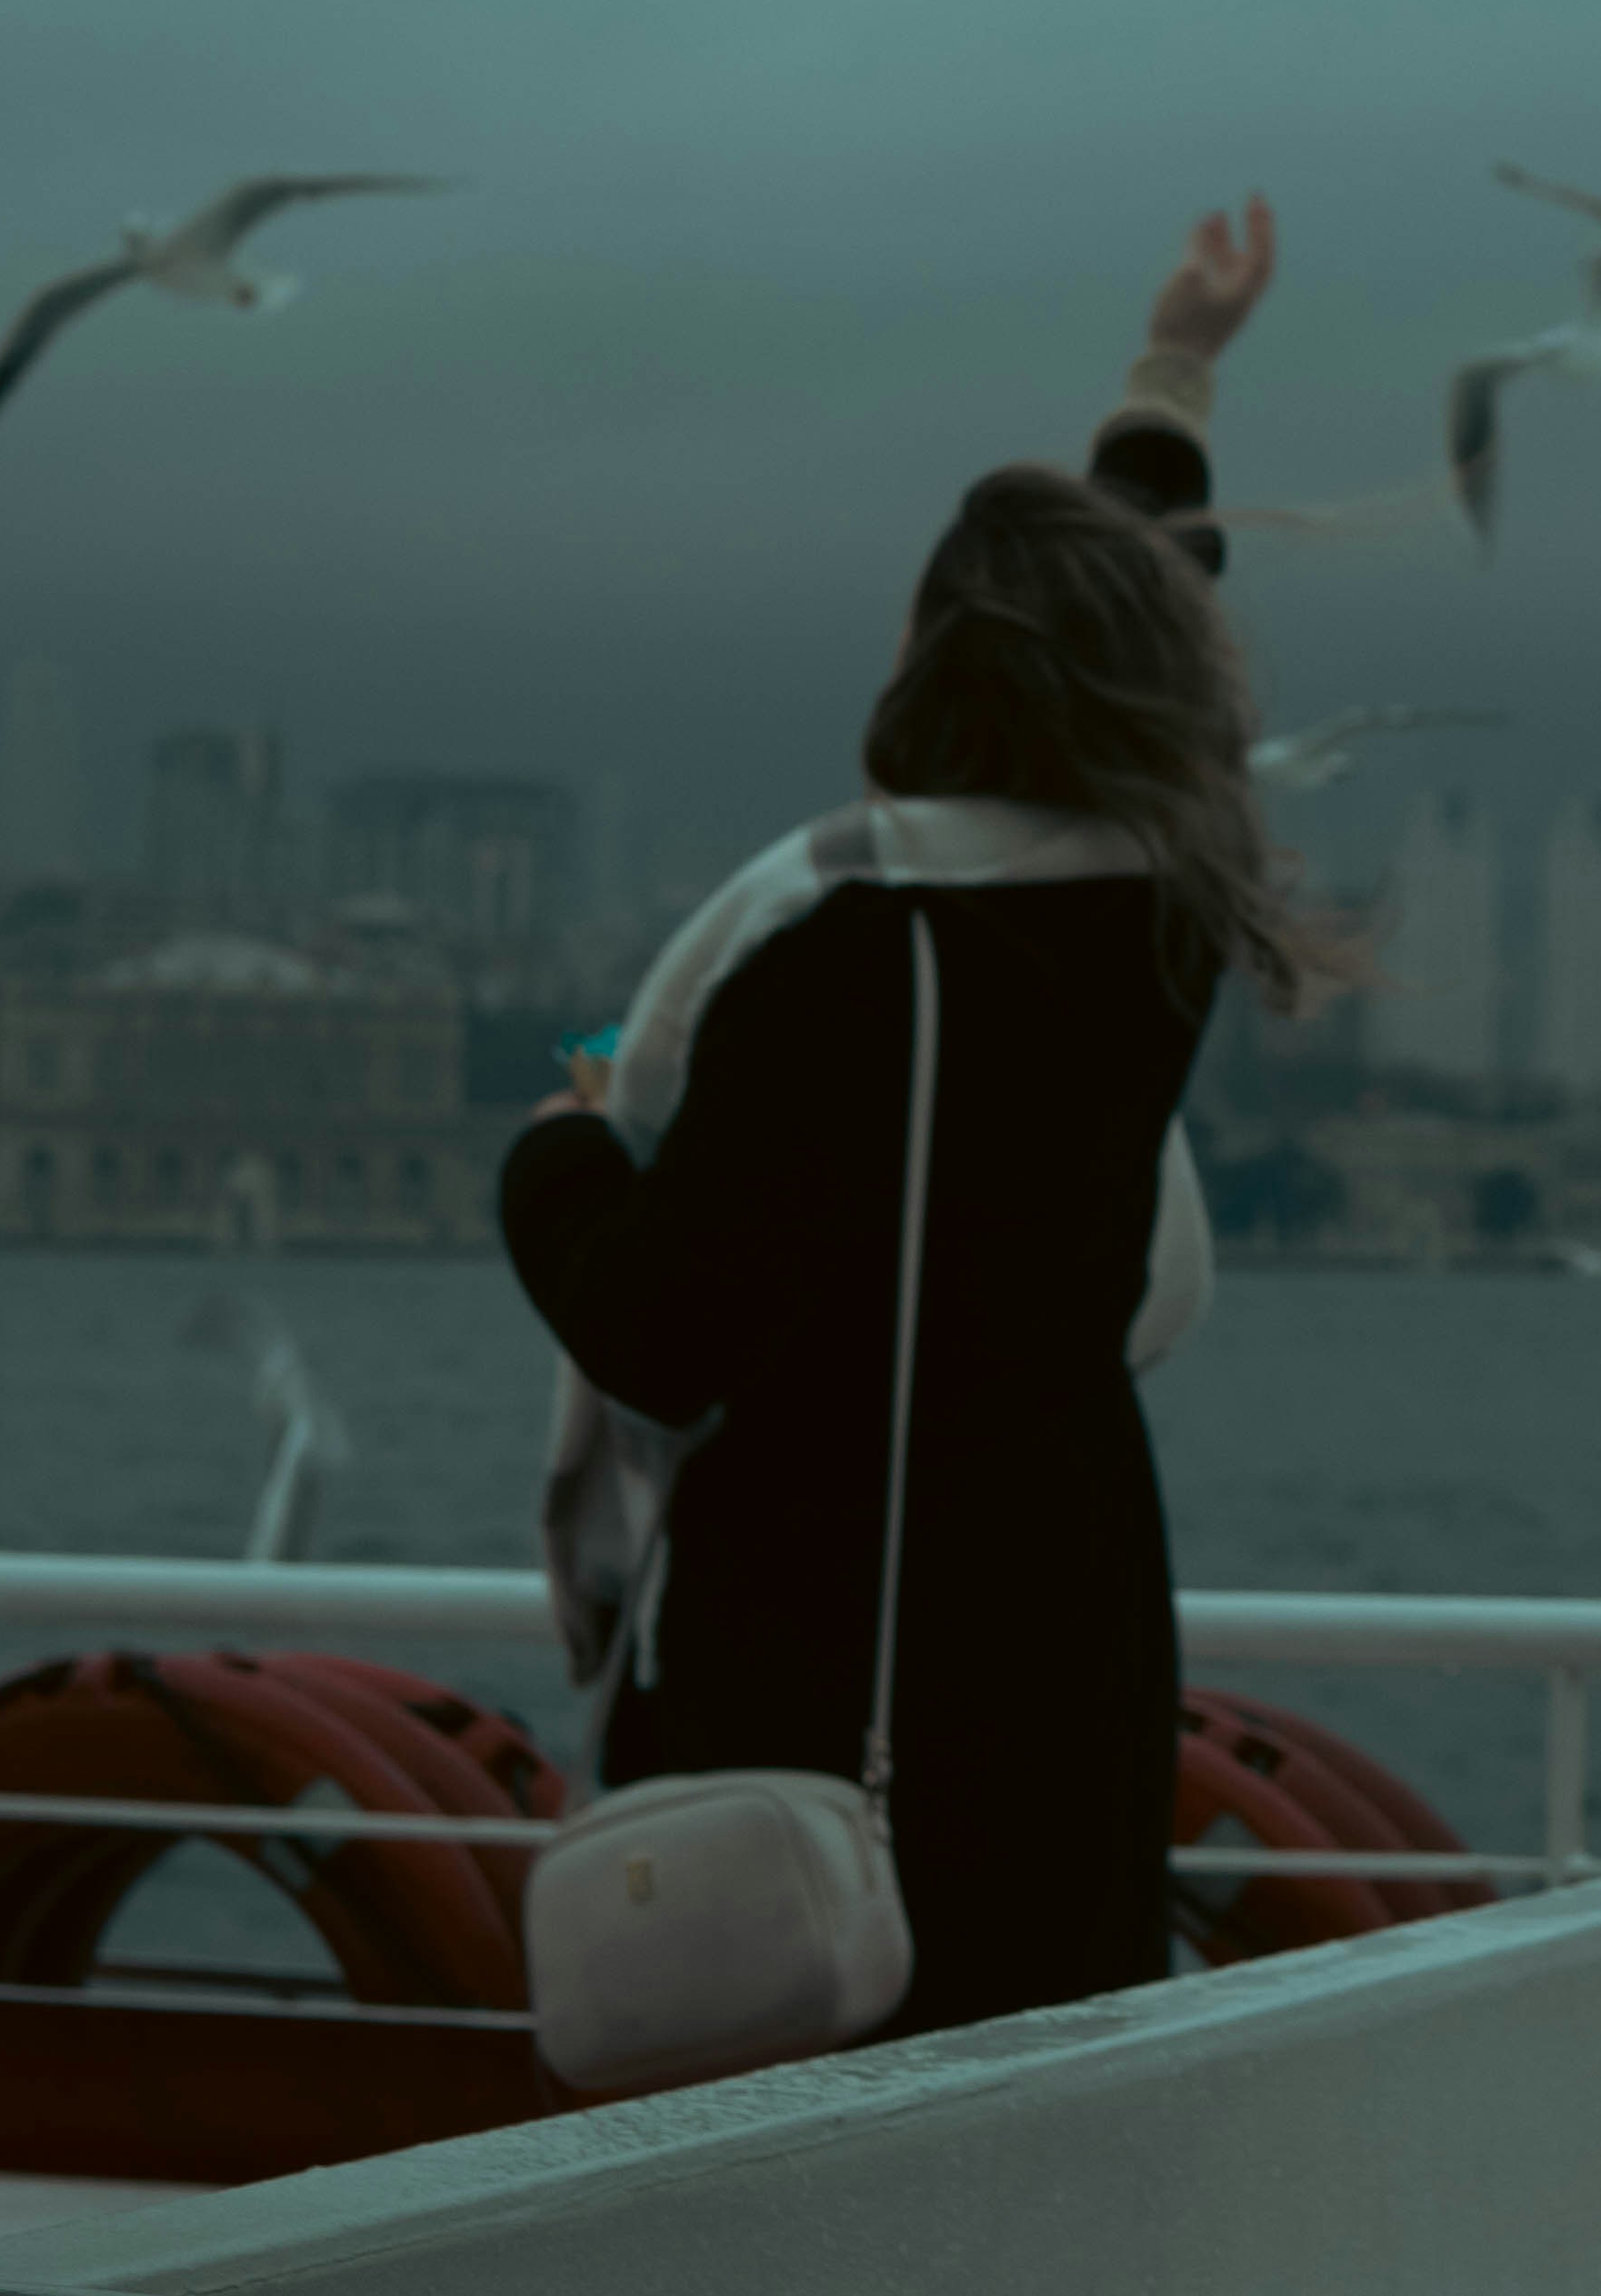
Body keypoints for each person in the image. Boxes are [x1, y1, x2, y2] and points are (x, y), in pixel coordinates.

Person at [500, 193, 1340, 2037]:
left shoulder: (833, 945)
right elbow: (1156, 615)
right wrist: (1177, 364)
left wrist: (555, 1146)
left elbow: (665, 1317)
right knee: (1046, 2098)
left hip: (835, 1641)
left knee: (812, 2130)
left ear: (934, 662)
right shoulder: (1159, 922)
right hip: (1071, 1620)